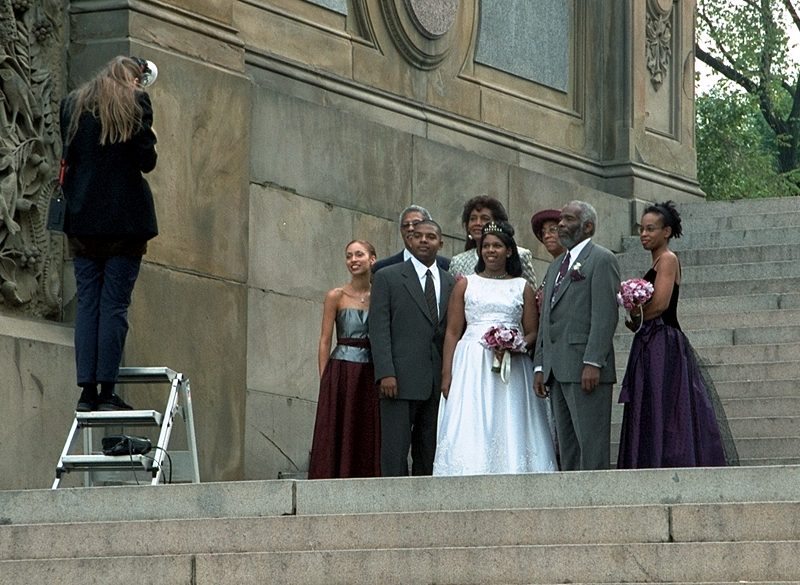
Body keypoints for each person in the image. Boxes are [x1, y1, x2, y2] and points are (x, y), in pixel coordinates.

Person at [61, 56, 159, 412]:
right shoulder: (136, 102)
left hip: (83, 218)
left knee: (88, 303)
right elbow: (145, 160)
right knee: (114, 304)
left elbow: (70, 154)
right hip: (124, 220)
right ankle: (107, 391)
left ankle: (86, 393)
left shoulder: (72, 103)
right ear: (133, 77)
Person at [617, 201, 738, 468]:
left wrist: (637, 315)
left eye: (651, 229)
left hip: (663, 340)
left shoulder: (668, 259)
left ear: (667, 232)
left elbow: (660, 305)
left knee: (664, 403)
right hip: (649, 338)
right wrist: (634, 316)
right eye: (641, 229)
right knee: (650, 402)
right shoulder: (656, 261)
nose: (644, 234)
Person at [434, 221, 557, 476]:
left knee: (510, 417)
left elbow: (533, 331)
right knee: (471, 416)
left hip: (513, 365)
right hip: (471, 361)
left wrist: (515, 344)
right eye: (486, 246)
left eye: (497, 246)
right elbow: (452, 332)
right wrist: (447, 374)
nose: (491, 250)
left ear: (509, 251)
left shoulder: (521, 286)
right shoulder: (465, 284)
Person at [533, 201, 620, 470]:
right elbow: (546, 319)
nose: (560, 225)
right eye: (561, 219)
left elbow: (605, 316)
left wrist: (593, 362)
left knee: (591, 445)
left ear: (588, 226)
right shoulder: (556, 265)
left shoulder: (602, 259)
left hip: (585, 369)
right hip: (556, 370)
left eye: (568, 220)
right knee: (567, 447)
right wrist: (539, 365)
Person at [369, 220, 456, 476]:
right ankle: (394, 505)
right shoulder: (388, 277)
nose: (423, 241)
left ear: (441, 244)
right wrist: (386, 372)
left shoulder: (452, 282)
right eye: (417, 236)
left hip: (436, 380)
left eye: (430, 237)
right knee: (395, 451)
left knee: (428, 450)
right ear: (409, 240)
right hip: (398, 379)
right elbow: (378, 329)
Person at [308, 240, 381, 479]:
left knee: (364, 427)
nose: (353, 260)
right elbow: (325, 340)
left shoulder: (381, 295)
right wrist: (325, 378)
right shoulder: (336, 296)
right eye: (348, 256)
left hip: (371, 372)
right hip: (342, 370)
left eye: (359, 254)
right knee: (339, 426)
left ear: (372, 258)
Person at [449, 196, 536, 286]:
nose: (477, 223)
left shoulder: (520, 255)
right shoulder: (458, 262)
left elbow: (531, 293)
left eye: (485, 219)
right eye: (473, 219)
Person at [372, 205, 450, 273]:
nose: (410, 228)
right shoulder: (382, 268)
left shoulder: (448, 267)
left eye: (416, 223)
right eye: (405, 225)